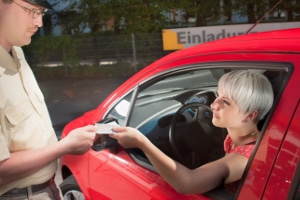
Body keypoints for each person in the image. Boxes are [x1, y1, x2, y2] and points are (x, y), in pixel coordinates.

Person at [110, 70, 274, 194]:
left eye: (225, 102)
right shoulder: (239, 137)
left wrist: (141, 142)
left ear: (250, 115)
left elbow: (186, 184)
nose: (213, 105)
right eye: (217, 95)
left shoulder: (246, 155)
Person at [0, 0, 97, 199]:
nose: (39, 22)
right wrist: (66, 145)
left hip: (48, 189)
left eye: (41, 13)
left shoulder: (17, 52)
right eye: (31, 11)